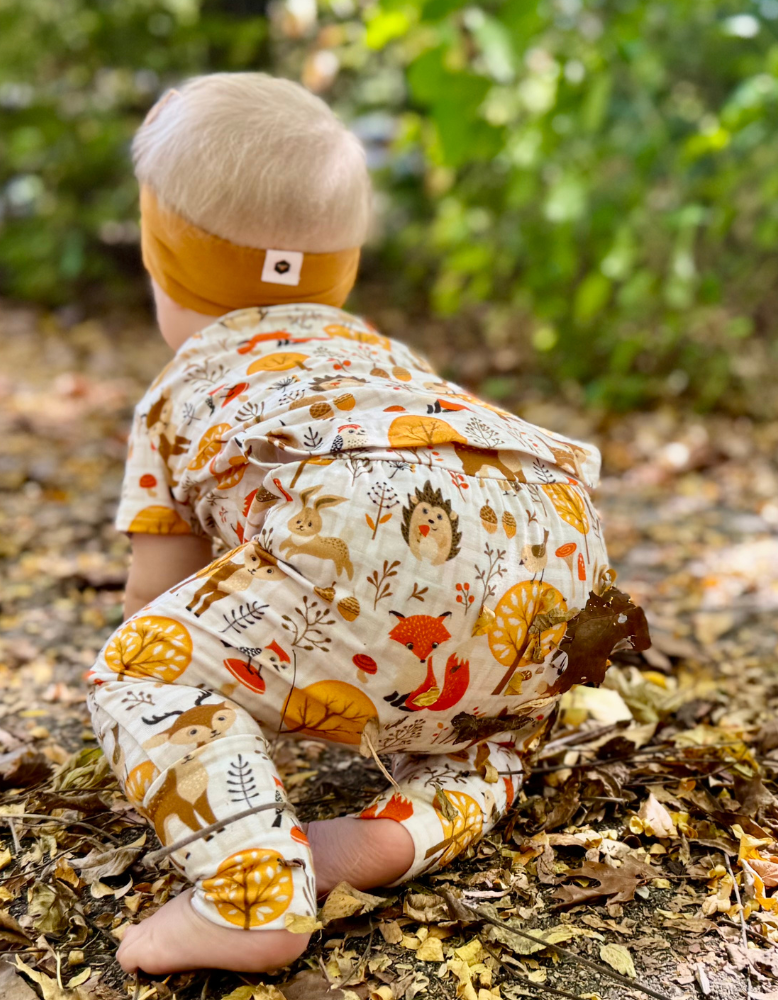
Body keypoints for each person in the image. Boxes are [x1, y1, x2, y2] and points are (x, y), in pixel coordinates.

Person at [87, 72, 647, 976]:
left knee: (139, 672)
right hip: (562, 542)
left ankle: (248, 897)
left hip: (368, 522)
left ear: (166, 257)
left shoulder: (176, 389)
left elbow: (158, 593)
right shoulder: (385, 354)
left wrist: (184, 711)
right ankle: (381, 842)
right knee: (504, 726)